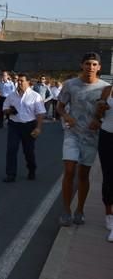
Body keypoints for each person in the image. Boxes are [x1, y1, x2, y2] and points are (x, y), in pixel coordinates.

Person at [56, 52, 109, 226]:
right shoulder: (70, 85)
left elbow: (107, 112)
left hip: (92, 136)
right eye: (87, 64)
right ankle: (66, 210)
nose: (90, 67)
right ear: (81, 65)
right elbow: (60, 106)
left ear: (99, 67)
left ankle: (80, 209)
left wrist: (98, 120)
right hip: (72, 133)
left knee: (83, 174)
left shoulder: (105, 88)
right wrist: (66, 116)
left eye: (94, 64)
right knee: (69, 169)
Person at [2, 74, 46, 182]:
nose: (19, 83)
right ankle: (11, 174)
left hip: (29, 125)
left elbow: (40, 113)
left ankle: (32, 169)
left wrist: (38, 128)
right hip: (14, 125)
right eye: (18, 81)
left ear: (28, 82)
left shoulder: (35, 96)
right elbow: (4, 108)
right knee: (11, 149)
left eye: (22, 81)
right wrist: (10, 111)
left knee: (28, 151)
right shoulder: (11, 96)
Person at [92, 82, 113, 241]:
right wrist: (100, 109)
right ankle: (109, 215)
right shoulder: (108, 90)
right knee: (108, 178)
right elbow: (98, 117)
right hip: (107, 137)